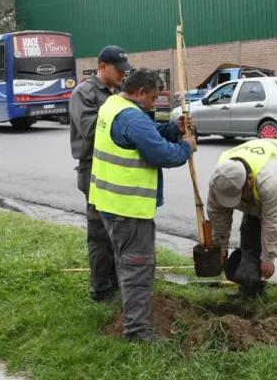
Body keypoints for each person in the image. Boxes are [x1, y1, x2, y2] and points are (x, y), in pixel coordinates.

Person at [89, 68, 196, 342]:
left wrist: (173, 128)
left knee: (125, 262)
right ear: (140, 93)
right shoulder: (133, 118)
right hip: (129, 209)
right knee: (137, 267)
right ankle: (137, 332)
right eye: (153, 98)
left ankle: (130, 312)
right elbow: (160, 152)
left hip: (109, 204)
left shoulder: (113, 105)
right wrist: (187, 146)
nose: (154, 104)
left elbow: (149, 133)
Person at [206, 138, 277, 318]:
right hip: (259, 196)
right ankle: (252, 289)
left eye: (238, 195)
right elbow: (218, 215)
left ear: (249, 180)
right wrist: (221, 248)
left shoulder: (270, 179)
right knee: (250, 235)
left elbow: (272, 223)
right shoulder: (220, 179)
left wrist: (268, 259)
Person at [69, 45, 132, 304]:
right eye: (119, 70)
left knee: (116, 231)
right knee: (99, 234)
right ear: (102, 66)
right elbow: (92, 130)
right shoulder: (84, 93)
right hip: (93, 170)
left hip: (113, 169)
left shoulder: (116, 92)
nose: (123, 75)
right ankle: (101, 290)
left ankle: (116, 282)